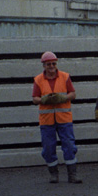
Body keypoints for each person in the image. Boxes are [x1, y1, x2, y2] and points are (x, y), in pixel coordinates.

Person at [31, 51, 81, 184]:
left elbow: (73, 94)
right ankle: (54, 174)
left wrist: (64, 97)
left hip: (64, 119)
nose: (51, 66)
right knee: (48, 148)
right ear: (44, 65)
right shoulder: (38, 80)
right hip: (47, 121)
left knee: (69, 146)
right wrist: (43, 100)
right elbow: (34, 99)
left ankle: (72, 174)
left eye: (53, 63)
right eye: (48, 64)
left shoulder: (65, 77)